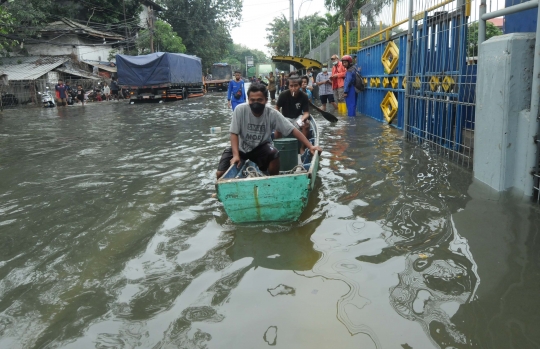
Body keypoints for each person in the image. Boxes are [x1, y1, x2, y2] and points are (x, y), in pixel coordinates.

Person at [216, 83, 322, 179]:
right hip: (240, 147)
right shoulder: (240, 110)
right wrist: (235, 155)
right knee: (220, 174)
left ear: (266, 100)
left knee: (274, 154)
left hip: (260, 147)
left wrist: (310, 146)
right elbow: (234, 133)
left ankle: (273, 180)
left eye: (259, 100)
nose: (255, 103)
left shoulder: (272, 114)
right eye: (252, 100)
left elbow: (293, 130)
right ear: (248, 99)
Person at [275, 73, 311, 153]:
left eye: (296, 86)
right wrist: (280, 118)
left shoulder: (304, 96)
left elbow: (306, 113)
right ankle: (278, 149)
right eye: (291, 86)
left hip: (298, 118)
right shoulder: (283, 95)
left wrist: (302, 119)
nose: (293, 88)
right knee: (277, 127)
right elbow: (276, 108)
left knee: (307, 124)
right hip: (285, 118)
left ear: (300, 85)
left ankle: (302, 148)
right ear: (288, 86)